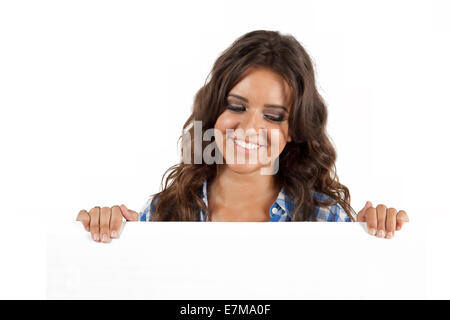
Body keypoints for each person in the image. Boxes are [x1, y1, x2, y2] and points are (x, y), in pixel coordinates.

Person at [76, 30, 409, 243]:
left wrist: (372, 242)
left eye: (273, 116)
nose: (250, 129)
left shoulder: (326, 219)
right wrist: (104, 237)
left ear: (293, 129)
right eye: (236, 107)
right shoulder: (166, 212)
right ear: (215, 110)